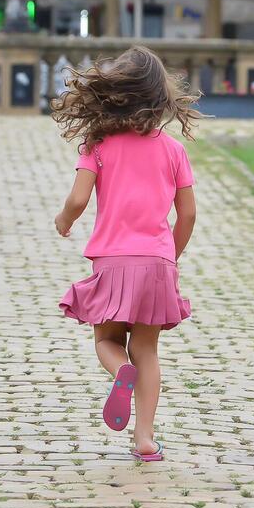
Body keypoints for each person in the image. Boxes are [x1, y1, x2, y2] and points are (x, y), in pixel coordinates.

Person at [51, 46, 198, 462]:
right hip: (156, 263)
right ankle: (145, 438)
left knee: (107, 339)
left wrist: (64, 220)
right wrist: (171, 254)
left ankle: (120, 373)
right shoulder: (173, 150)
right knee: (147, 350)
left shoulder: (97, 144)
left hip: (114, 262)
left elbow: (79, 199)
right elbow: (187, 212)